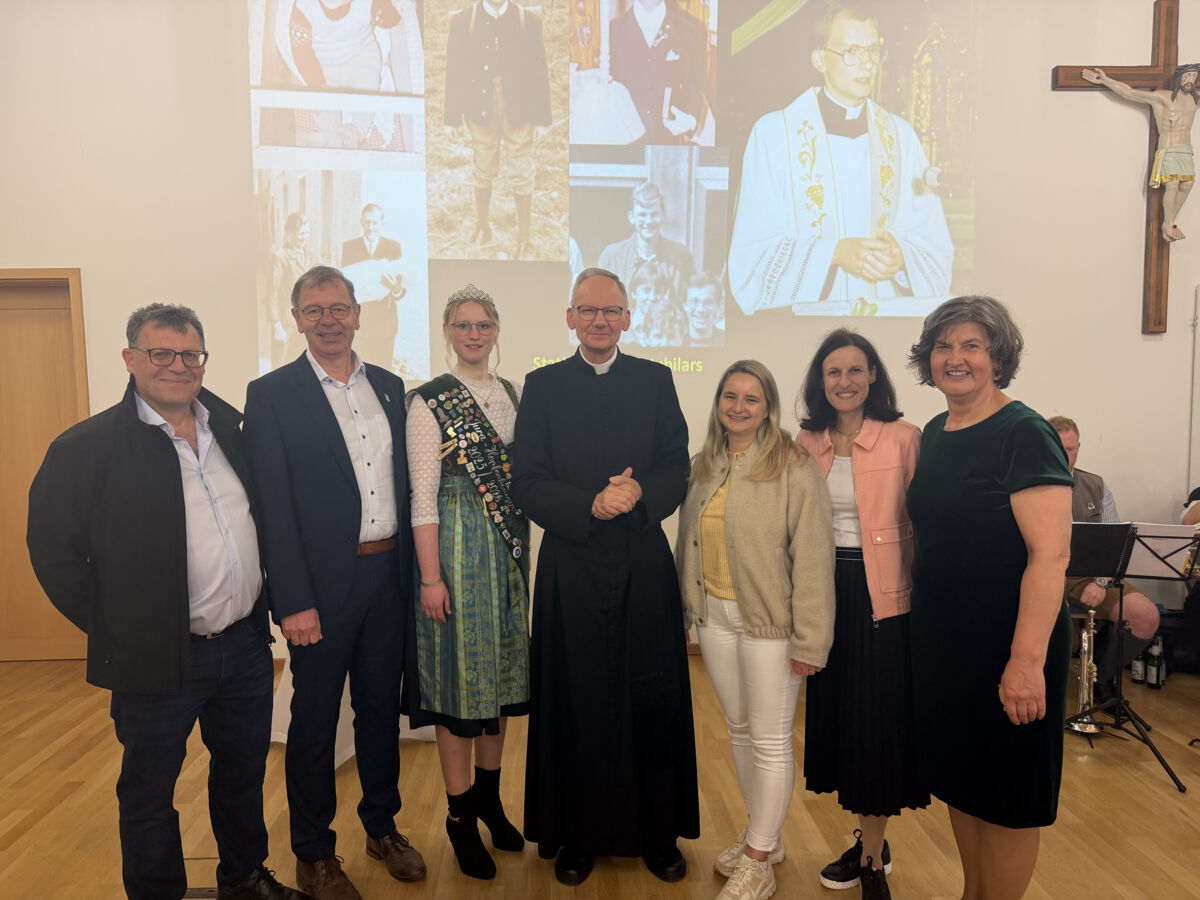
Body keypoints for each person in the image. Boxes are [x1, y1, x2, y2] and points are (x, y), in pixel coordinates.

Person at [27, 304, 307, 900]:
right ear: (130, 359)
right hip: (154, 658)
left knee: (241, 775)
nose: (177, 366)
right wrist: (116, 627)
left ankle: (244, 878)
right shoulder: (86, 448)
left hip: (243, 646)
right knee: (150, 791)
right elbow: (52, 553)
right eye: (161, 353)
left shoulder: (231, 427)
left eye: (190, 355)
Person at [513, 267, 699, 886]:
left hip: (643, 558)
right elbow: (528, 479)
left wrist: (638, 492)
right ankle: (577, 834)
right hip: (572, 561)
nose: (599, 320)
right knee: (577, 696)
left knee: (652, 694)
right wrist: (589, 505)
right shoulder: (541, 386)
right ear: (570, 318)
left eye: (611, 311)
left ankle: (656, 833)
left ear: (627, 318)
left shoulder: (655, 380)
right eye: (587, 310)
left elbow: (677, 464)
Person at [244, 266, 425, 900]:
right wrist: (292, 600)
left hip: (387, 575)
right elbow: (272, 506)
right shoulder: (271, 395)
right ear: (296, 318)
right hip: (319, 589)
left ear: (357, 314)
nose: (328, 319)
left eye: (339, 308)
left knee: (381, 713)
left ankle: (382, 827)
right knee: (316, 723)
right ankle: (314, 853)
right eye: (314, 309)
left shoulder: (392, 388)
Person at [906, 295, 1074, 899]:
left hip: (1007, 648)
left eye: (971, 345)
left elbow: (1051, 555)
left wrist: (1026, 662)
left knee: (1007, 797)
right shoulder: (936, 431)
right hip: (946, 648)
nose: (956, 358)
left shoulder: (1024, 433)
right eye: (944, 346)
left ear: (998, 356)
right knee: (964, 783)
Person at [676, 360, 835, 900]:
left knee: (770, 739)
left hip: (771, 626)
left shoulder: (792, 466)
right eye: (730, 396)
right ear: (718, 402)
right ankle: (764, 836)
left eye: (751, 398)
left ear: (768, 407)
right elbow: (687, 544)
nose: (738, 407)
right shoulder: (706, 464)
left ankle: (758, 858)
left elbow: (813, 558)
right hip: (715, 618)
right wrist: (686, 610)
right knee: (740, 730)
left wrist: (812, 639)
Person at [795, 329, 928, 900]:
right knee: (841, 726)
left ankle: (872, 859)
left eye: (855, 370)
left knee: (875, 732)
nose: (844, 381)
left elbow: (927, 526)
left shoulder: (904, 438)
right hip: (823, 598)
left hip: (885, 602)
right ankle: (867, 840)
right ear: (820, 383)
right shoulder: (804, 442)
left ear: (873, 375)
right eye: (833, 372)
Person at [404, 284, 530, 880]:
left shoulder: (512, 394)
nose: (474, 333)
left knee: (500, 683)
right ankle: (458, 817)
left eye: (483, 323)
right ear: (448, 332)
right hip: (454, 554)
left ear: (496, 329)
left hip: (505, 557)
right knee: (459, 691)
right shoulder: (428, 402)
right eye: (463, 324)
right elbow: (422, 498)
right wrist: (430, 578)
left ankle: (489, 797)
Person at [728, 4, 953, 316]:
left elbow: (931, 238)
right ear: (820, 59)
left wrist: (901, 257)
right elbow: (753, 250)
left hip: (888, 319)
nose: (866, 64)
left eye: (873, 50)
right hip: (800, 326)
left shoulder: (901, 137)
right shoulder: (774, 134)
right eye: (851, 51)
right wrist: (832, 253)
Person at [1048, 416, 1161, 704]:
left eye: (1071, 448)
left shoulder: (1096, 486)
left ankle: (1104, 677)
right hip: (1041, 574)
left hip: (1088, 574)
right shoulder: (1025, 485)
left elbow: (1115, 546)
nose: (1065, 455)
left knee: (1145, 616)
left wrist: (1100, 582)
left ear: (1079, 448)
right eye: (1057, 447)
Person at [445, 0, 552, 258]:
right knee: (482, 164)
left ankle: (524, 238)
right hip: (479, 105)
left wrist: (542, 118)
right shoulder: (463, 20)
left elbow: (540, 70)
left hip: (519, 105)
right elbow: (454, 70)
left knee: (521, 167)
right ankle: (483, 226)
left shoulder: (528, 20)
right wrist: (452, 118)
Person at [1082, 64, 1200, 241]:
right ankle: (1168, 224)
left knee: (1187, 185)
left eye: (1193, 77)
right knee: (1173, 183)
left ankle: (1169, 221)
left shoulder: (1195, 100)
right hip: (1168, 147)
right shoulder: (1163, 98)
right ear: (1179, 78)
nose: (1190, 80)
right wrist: (1106, 80)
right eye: (1186, 76)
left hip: (1186, 149)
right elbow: (1129, 92)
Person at [609, 0, 709, 145]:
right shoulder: (613, 31)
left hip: (668, 147)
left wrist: (690, 118)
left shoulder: (692, 29)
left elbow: (696, 84)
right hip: (625, 147)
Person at [598, 182, 695, 306]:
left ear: (663, 216)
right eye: (642, 215)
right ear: (631, 217)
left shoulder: (681, 256)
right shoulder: (611, 256)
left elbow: (690, 302)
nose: (648, 221)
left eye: (654, 214)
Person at [341, 203, 405, 371]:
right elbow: (344, 286)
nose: (370, 227)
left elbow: (401, 290)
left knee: (384, 371)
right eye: (367, 222)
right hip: (360, 322)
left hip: (385, 322)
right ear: (361, 221)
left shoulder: (393, 248)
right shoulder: (349, 247)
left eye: (375, 223)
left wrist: (395, 288)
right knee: (359, 372)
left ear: (382, 223)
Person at [270, 212, 313, 369]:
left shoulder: (308, 256)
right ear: (290, 233)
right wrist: (277, 325)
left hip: (307, 323)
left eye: (307, 233)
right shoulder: (280, 257)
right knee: (280, 367)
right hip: (286, 324)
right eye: (301, 233)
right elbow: (272, 292)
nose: (304, 237)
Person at [626, 261, 685, 347]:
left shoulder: (675, 322)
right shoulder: (621, 325)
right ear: (633, 293)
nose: (652, 297)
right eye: (646, 290)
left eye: (658, 291)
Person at [683, 272, 725, 347]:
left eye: (708, 302)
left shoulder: (725, 341)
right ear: (685, 305)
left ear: (718, 306)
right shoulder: (672, 341)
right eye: (694, 302)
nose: (701, 309)